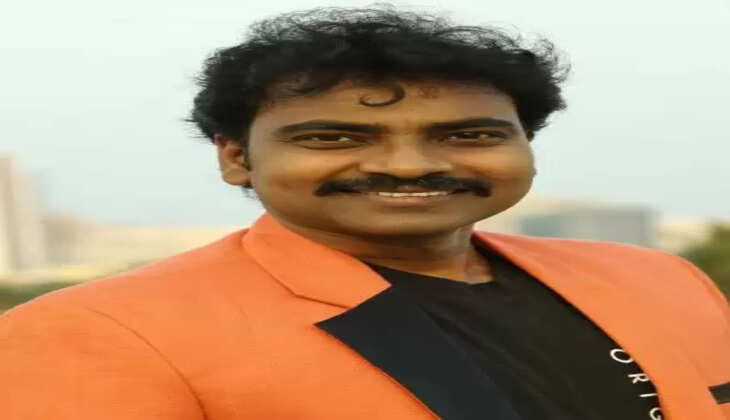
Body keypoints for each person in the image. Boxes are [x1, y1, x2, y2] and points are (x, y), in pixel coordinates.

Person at [1, 5, 728, 420]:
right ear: (237, 157)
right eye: (334, 138)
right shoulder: (92, 335)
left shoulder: (657, 280)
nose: (407, 165)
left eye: (467, 135)